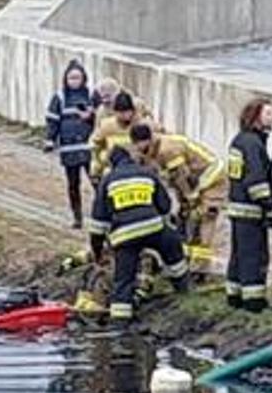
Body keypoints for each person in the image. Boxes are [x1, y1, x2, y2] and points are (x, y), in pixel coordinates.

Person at [88, 146, 191, 322]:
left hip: (124, 237)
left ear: (112, 164)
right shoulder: (147, 174)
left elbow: (98, 224)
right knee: (174, 252)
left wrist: (97, 251)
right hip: (153, 228)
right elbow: (165, 206)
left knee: (124, 280)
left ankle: (120, 321)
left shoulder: (108, 181)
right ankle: (183, 290)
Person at [132, 124, 226, 270]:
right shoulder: (151, 150)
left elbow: (181, 176)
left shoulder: (167, 149)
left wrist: (189, 197)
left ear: (148, 140)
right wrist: (184, 200)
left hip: (212, 177)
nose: (139, 150)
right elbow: (174, 180)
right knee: (187, 216)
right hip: (196, 179)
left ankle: (201, 267)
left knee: (204, 217)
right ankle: (191, 260)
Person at [226, 98, 272, 311]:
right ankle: (254, 302)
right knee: (254, 256)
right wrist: (268, 205)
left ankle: (234, 295)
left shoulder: (240, 140)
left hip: (238, 208)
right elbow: (256, 180)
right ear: (256, 117)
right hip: (250, 211)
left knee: (238, 255)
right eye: (268, 113)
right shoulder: (252, 144)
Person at [43, 60, 96, 229]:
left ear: (84, 78)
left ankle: (103, 214)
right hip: (69, 149)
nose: (74, 81)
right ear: (65, 79)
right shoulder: (59, 97)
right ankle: (77, 217)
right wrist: (50, 140)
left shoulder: (91, 95)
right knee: (73, 185)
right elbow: (53, 121)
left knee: (96, 182)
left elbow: (100, 119)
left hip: (89, 148)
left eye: (77, 78)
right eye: (71, 78)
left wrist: (90, 116)